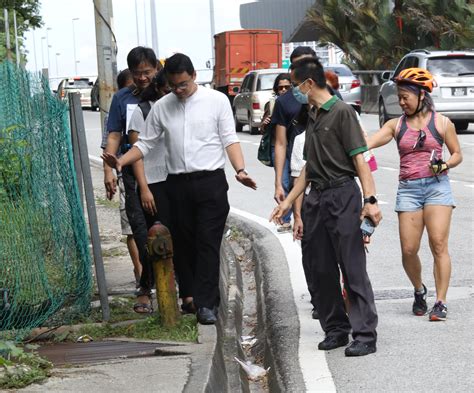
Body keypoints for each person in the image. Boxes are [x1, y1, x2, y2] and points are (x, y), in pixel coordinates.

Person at [102, 53, 257, 325]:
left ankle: (207, 305)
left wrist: (240, 170)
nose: (179, 90)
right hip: (177, 185)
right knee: (185, 244)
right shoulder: (163, 106)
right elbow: (145, 144)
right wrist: (120, 162)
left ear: (193, 76)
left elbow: (229, 140)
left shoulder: (216, 101)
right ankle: (193, 295)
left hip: (210, 182)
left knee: (207, 241)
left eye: (183, 84)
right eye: (174, 86)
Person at [270, 56, 382, 357]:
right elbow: (308, 167)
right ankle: (336, 329)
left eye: (295, 86)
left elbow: (360, 159)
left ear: (309, 83)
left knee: (352, 265)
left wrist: (369, 200)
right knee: (320, 267)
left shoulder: (342, 112)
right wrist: (290, 202)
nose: (292, 92)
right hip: (316, 198)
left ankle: (365, 334)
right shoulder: (313, 114)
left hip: (342, 194)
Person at [368, 67, 462, 321]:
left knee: (438, 244)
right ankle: (419, 290)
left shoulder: (442, 123)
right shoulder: (395, 125)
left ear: (421, 95)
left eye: (405, 97)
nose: (401, 102)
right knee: (409, 249)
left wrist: (446, 164)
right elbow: (368, 143)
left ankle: (440, 302)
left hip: (437, 187)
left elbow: (457, 154)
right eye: (399, 97)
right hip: (408, 190)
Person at [103, 47, 161, 312]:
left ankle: (177, 285)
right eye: (137, 73)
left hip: (166, 172)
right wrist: (109, 168)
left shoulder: (166, 95)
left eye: (147, 72)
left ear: (156, 70)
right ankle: (145, 287)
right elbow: (114, 134)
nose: (142, 78)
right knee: (140, 232)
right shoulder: (122, 99)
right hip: (131, 173)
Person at [126, 69, 171, 313]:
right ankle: (146, 288)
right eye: (167, 90)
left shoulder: (180, 106)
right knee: (149, 240)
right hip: (151, 183)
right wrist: (143, 188)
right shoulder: (140, 112)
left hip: (176, 180)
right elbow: (138, 153)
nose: (171, 94)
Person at [99, 69, 142, 290]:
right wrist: (109, 172)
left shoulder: (157, 101)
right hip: (127, 172)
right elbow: (110, 143)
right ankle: (141, 273)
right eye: (130, 85)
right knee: (132, 227)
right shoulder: (119, 106)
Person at [271, 47, 316, 233]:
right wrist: (278, 183)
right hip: (298, 171)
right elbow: (280, 143)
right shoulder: (284, 101)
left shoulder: (332, 98)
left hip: (326, 175)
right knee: (305, 230)